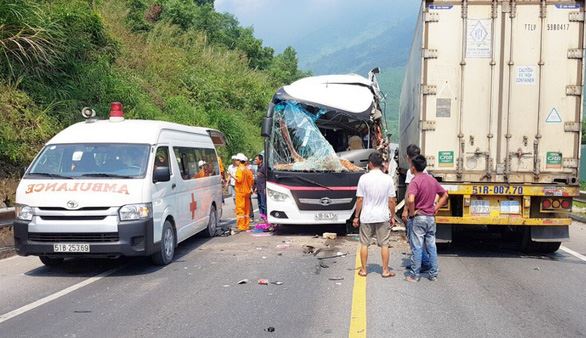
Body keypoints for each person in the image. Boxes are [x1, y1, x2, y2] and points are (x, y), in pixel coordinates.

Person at [352, 152, 397, 278]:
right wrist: (392, 216)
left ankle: (363, 270)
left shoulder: (363, 178)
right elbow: (392, 200)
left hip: (367, 216)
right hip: (382, 216)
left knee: (364, 244)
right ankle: (385, 270)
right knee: (384, 244)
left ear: (370, 164)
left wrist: (356, 216)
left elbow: (360, 199)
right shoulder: (387, 179)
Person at [405, 154, 449, 282]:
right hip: (430, 218)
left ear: (413, 168)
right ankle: (433, 274)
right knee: (431, 246)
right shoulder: (432, 180)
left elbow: (411, 199)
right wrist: (436, 208)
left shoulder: (415, 181)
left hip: (419, 217)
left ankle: (415, 275)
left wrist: (412, 213)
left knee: (417, 247)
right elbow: (445, 195)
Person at [401, 144, 430, 270]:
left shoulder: (411, 171)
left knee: (414, 238)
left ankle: (421, 263)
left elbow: (409, 193)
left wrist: (406, 210)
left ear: (408, 157)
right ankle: (423, 262)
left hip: (415, 208)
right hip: (425, 208)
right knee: (422, 239)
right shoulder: (425, 171)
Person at [234, 153, 254, 232]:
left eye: (236, 160)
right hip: (247, 192)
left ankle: (241, 225)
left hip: (240, 192)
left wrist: (233, 177)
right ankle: (246, 225)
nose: (235, 162)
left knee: (240, 209)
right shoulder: (247, 170)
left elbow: (239, 180)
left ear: (239, 161)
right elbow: (252, 180)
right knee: (246, 209)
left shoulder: (239, 169)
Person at [254, 154, 267, 218]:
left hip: (263, 189)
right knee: (259, 204)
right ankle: (262, 217)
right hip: (258, 188)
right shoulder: (258, 168)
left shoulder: (264, 168)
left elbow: (267, 178)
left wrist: (265, 188)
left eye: (256, 159)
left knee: (263, 204)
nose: (255, 161)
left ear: (261, 160)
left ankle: (265, 217)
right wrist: (256, 187)